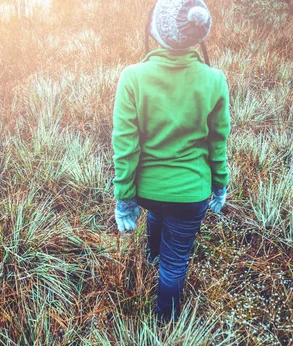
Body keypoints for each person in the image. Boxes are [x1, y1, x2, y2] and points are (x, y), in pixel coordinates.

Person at [111, 0, 230, 324]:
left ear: (156, 29)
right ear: (196, 36)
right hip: (193, 194)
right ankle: (166, 321)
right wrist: (219, 185)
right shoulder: (215, 79)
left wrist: (124, 197)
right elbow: (217, 142)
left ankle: (151, 257)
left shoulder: (132, 76)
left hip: (146, 191)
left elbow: (125, 145)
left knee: (159, 211)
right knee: (175, 262)